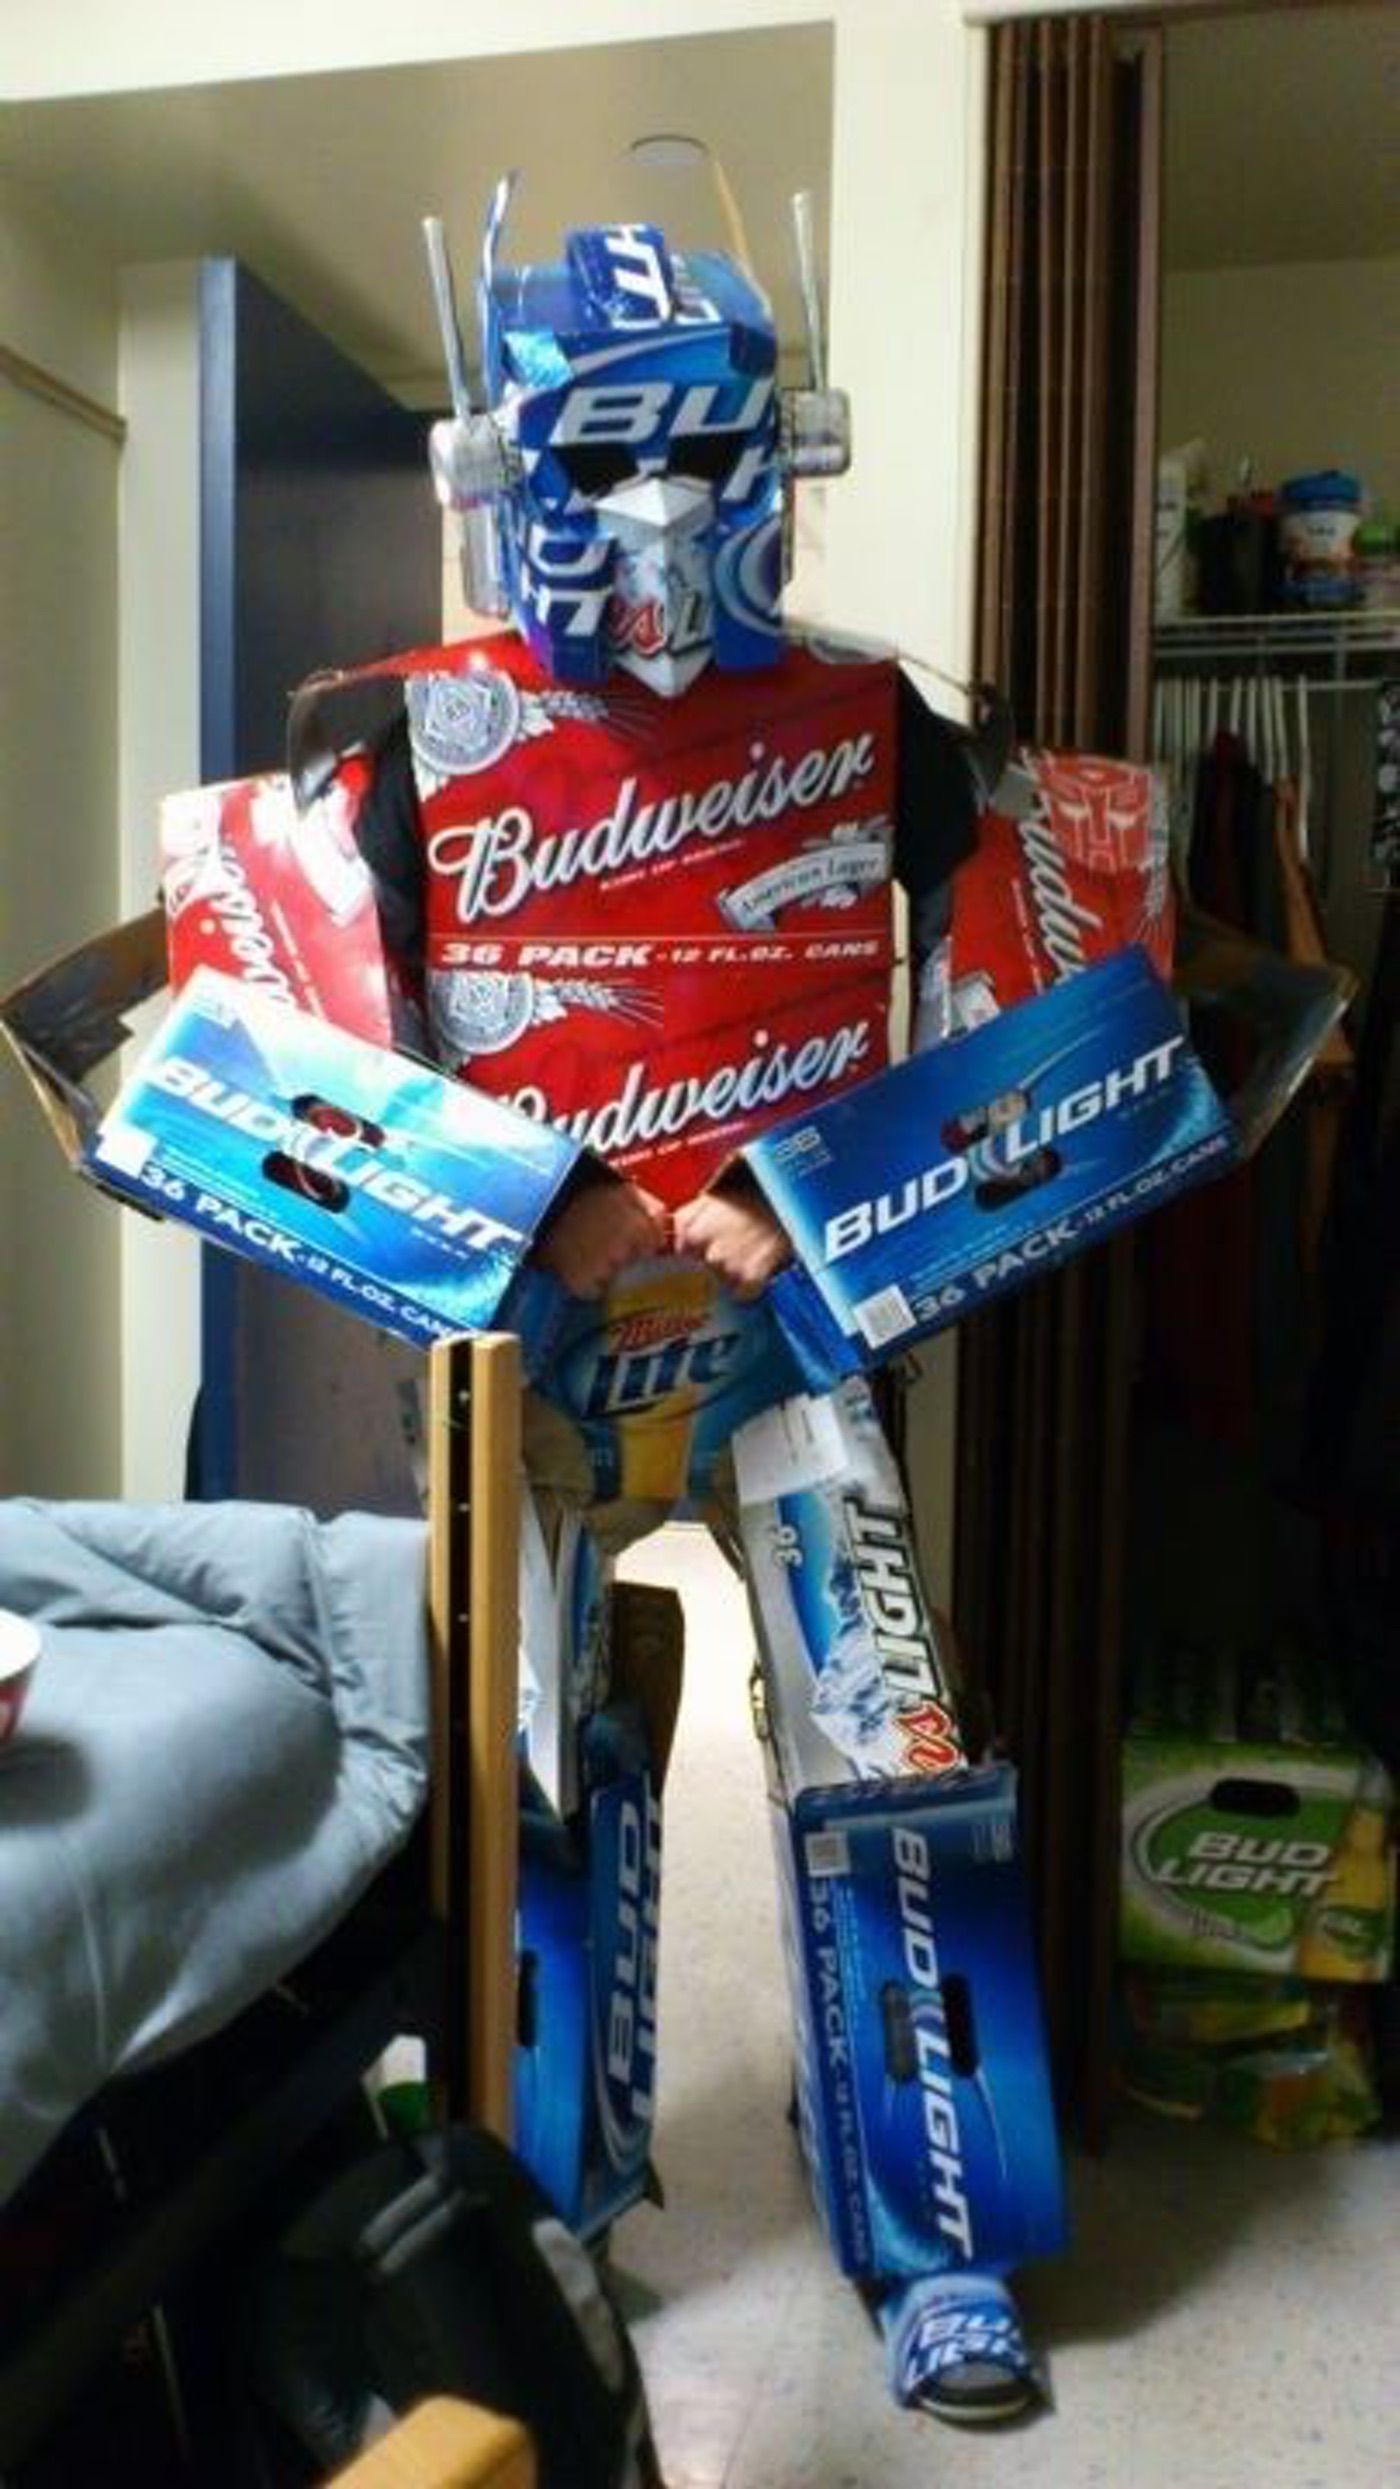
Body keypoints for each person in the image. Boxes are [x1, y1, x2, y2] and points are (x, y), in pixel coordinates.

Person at [288, 189, 1058, 2424]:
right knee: (520, 1781)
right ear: (500, 460)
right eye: (599, 456)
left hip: (786, 1336)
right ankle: (530, 2230)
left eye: (698, 453)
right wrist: (531, 1212)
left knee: (885, 1745)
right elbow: (298, 1059)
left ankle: (938, 2228)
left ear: (779, 448)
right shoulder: (401, 740)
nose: (648, 514)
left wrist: (812, 1197)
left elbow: (1034, 1025)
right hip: (523, 1353)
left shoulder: (881, 722)